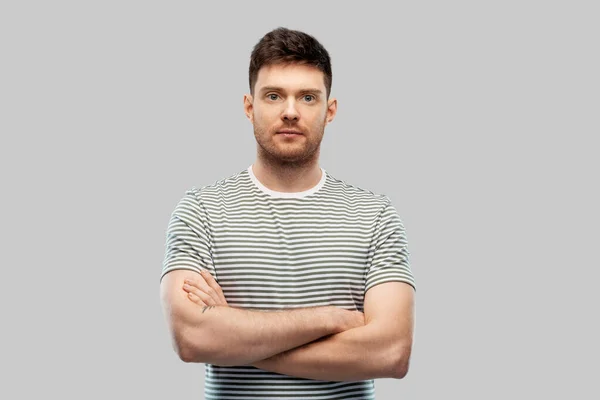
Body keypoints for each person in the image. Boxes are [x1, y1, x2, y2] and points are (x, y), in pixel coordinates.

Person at [160, 26, 416, 400]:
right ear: (250, 107)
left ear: (330, 111)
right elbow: (192, 338)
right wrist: (332, 319)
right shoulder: (201, 210)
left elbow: (391, 352)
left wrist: (238, 339)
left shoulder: (375, 214)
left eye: (308, 97)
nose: (291, 111)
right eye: (274, 96)